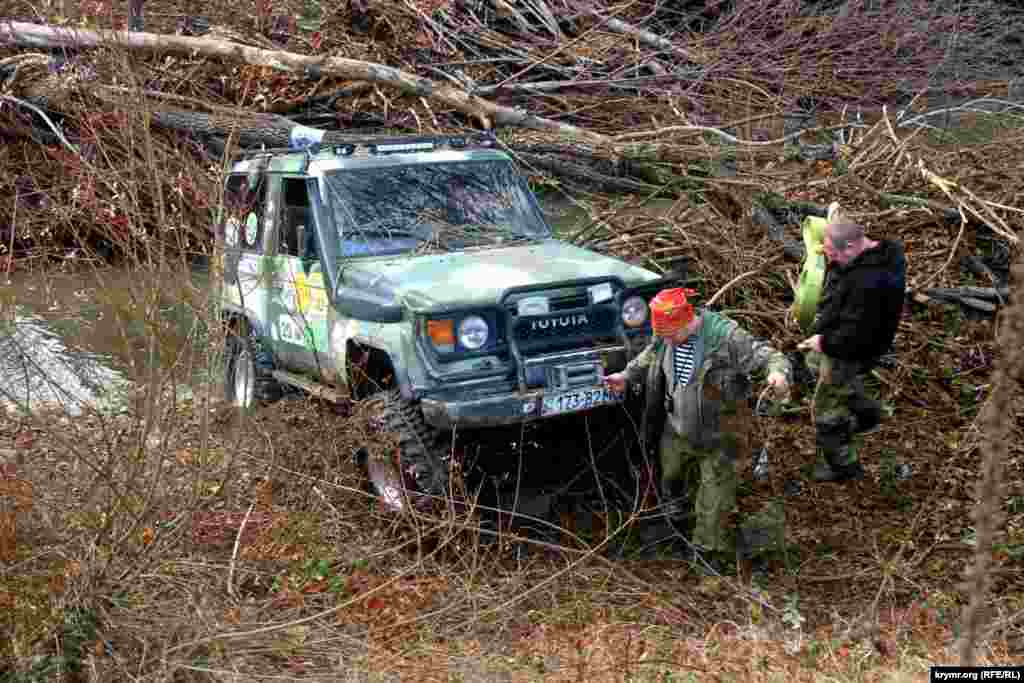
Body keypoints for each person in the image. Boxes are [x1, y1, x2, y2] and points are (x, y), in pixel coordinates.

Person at [604, 288, 792, 569]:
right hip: (677, 428)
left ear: (685, 321)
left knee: (712, 503)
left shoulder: (725, 337)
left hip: (720, 435)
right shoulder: (666, 336)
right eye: (662, 335)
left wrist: (777, 374)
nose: (665, 340)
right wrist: (627, 375)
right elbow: (650, 353)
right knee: (671, 479)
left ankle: (708, 558)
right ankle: (678, 521)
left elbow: (768, 356)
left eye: (669, 335)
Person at [797, 215, 906, 483]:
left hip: (849, 350)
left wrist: (823, 342)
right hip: (864, 342)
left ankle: (843, 467)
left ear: (849, 247)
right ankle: (868, 413)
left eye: (833, 254)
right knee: (815, 365)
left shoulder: (866, 283)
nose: (830, 260)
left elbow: (854, 334)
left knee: (824, 412)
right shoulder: (883, 254)